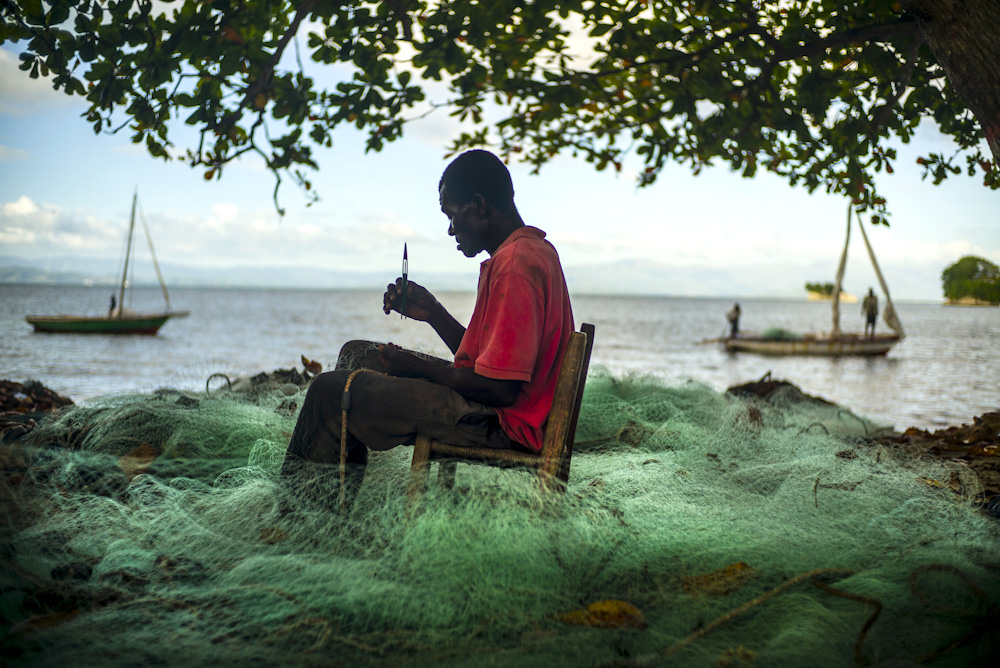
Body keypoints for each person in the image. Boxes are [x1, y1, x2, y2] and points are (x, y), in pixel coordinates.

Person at [281, 149, 575, 507]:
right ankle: (336, 497)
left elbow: (501, 390)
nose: (450, 228)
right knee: (356, 353)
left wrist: (420, 368)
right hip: (499, 410)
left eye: (452, 215)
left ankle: (299, 517)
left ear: (479, 206)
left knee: (329, 391)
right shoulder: (531, 251)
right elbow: (488, 362)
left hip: (502, 425)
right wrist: (433, 312)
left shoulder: (514, 265)